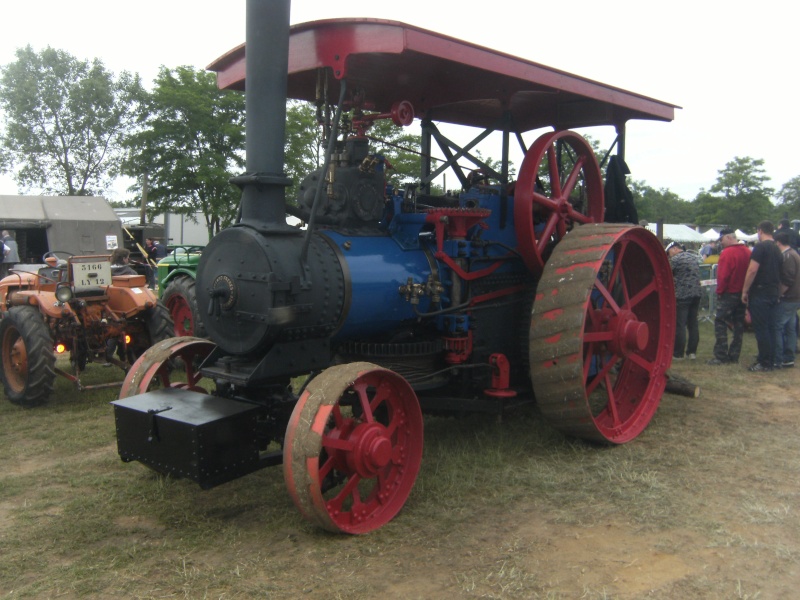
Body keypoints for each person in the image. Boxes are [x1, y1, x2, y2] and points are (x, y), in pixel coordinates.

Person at [741, 220, 783, 372]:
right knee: (771, 328)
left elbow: (752, 270)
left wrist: (745, 290)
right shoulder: (777, 248)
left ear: (760, 231)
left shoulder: (760, 247)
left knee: (761, 329)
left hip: (760, 292)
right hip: (773, 292)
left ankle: (764, 362)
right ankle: (770, 360)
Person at [707, 229, 751, 365]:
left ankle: (721, 355)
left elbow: (723, 276)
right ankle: (734, 355)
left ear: (728, 237)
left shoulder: (727, 253)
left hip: (729, 293)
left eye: (722, 240)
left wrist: (719, 292)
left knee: (720, 321)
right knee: (738, 324)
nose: (721, 242)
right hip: (743, 293)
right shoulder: (747, 252)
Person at [666, 241, 702, 360]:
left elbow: (668, 274)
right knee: (693, 324)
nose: (669, 255)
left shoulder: (675, 260)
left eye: (669, 252)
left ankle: (678, 353)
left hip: (682, 295)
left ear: (674, 248)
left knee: (680, 324)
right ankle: (692, 353)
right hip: (696, 294)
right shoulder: (694, 257)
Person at [773, 231, 800, 368]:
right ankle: (788, 357)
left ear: (778, 242)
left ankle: (778, 357)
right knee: (790, 328)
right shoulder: (794, 253)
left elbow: (788, 280)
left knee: (777, 326)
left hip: (788, 297)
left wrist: (778, 294)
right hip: (795, 297)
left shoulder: (788, 256)